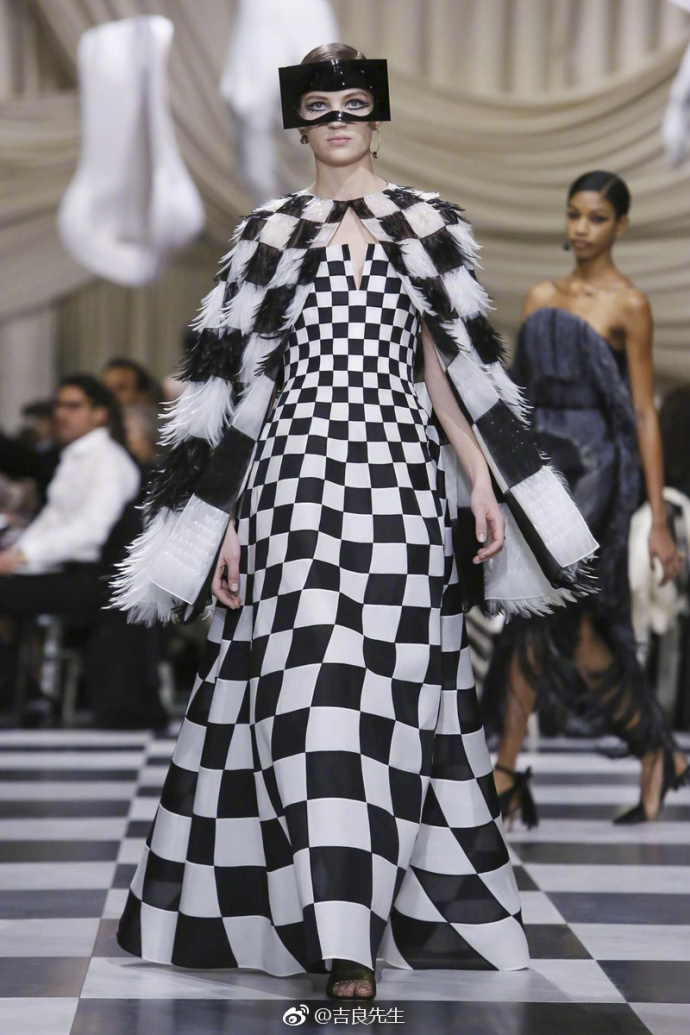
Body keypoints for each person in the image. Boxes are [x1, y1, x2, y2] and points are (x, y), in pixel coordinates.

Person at [113, 44, 597, 1000]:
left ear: (376, 118)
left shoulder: (427, 224)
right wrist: (227, 519)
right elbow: (234, 386)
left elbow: (445, 364)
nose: (337, 120)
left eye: (352, 104)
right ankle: (341, 938)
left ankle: (357, 928)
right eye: (320, 107)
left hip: (400, 483)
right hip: (290, 480)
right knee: (304, 696)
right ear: (300, 125)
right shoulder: (269, 231)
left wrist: (480, 478)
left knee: (392, 700)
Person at [482, 171, 689, 827]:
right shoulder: (541, 296)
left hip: (597, 476)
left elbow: (644, 415)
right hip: (542, 471)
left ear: (620, 225)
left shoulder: (630, 305)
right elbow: (520, 396)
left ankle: (505, 773)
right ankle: (656, 748)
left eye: (596, 217)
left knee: (540, 617)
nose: (581, 228)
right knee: (566, 627)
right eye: (574, 214)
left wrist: (658, 520)